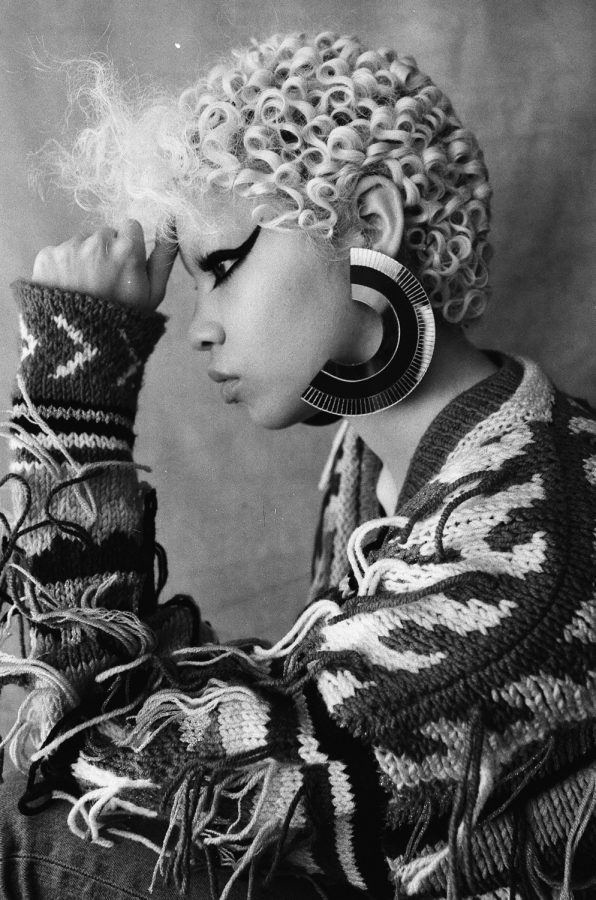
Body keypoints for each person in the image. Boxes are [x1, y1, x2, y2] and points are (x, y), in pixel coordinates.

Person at [1, 29, 595, 900]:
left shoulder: (523, 551)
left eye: (225, 266)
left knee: (22, 825)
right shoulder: (385, 455)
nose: (199, 327)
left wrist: (75, 391)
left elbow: (99, 764)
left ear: (369, 225)